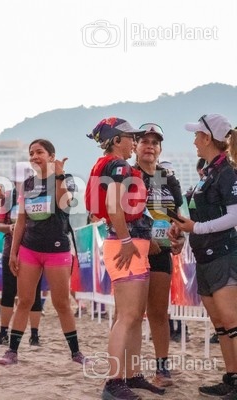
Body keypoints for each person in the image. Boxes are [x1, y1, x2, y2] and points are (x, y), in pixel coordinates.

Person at [85, 117, 164, 399]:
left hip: (130, 243)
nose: (135, 141)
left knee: (134, 316)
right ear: (116, 140)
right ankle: (114, 381)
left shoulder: (113, 164)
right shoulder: (118, 165)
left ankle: (132, 374)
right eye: (131, 137)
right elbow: (113, 207)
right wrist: (128, 241)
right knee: (127, 316)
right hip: (124, 245)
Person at [0, 139, 87, 367]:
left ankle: (76, 353)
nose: (34, 156)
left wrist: (59, 175)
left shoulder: (65, 179)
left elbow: (64, 204)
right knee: (24, 301)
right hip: (30, 248)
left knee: (61, 303)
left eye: (40, 152)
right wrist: (14, 252)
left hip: (56, 249)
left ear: (51, 156)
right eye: (31, 153)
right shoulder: (28, 184)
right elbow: (21, 220)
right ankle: (12, 352)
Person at [170, 114, 237, 398]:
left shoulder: (227, 172)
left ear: (208, 138)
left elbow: (234, 216)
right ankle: (231, 378)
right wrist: (180, 227)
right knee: (220, 325)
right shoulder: (209, 172)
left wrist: (195, 228)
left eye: (197, 135)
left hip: (223, 254)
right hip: (205, 256)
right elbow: (200, 213)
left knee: (232, 322)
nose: (194, 140)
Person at [134, 123, 183, 387]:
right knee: (130, 314)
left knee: (158, 312)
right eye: (145, 141)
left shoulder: (167, 177)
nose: (150, 146)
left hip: (161, 251)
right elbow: (121, 213)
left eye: (155, 143)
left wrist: (180, 235)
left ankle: (162, 370)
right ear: (136, 147)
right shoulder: (130, 175)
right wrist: (145, 236)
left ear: (160, 149)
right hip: (134, 250)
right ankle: (127, 370)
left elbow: (175, 213)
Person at [0, 165, 44, 348]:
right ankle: (3, 332)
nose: (21, 184)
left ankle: (34, 334)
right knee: (8, 292)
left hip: (34, 249)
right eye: (18, 181)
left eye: (24, 181)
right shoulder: (8, 198)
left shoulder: (39, 195)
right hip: (11, 250)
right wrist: (11, 228)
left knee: (34, 293)